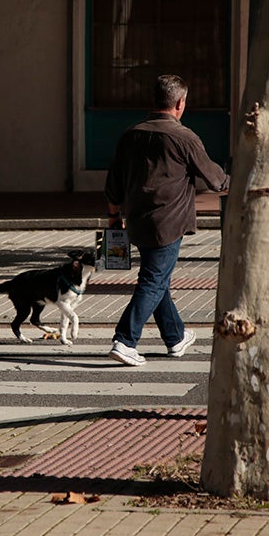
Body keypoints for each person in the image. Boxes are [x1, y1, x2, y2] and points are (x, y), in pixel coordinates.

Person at [104, 74, 229, 366]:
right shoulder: (184, 137)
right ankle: (125, 339)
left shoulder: (130, 134)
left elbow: (112, 184)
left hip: (136, 220)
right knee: (153, 280)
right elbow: (216, 180)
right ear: (180, 103)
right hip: (169, 222)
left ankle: (176, 337)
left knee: (158, 280)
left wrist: (113, 218)